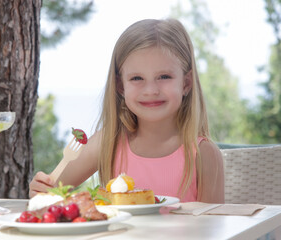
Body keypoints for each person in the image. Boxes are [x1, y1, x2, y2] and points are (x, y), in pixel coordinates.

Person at [29, 18, 225, 203]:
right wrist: (41, 189)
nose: (151, 90)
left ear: (186, 83)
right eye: (137, 79)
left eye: (164, 76)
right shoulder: (107, 143)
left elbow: (216, 229)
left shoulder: (203, 154)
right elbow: (51, 193)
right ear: (121, 86)